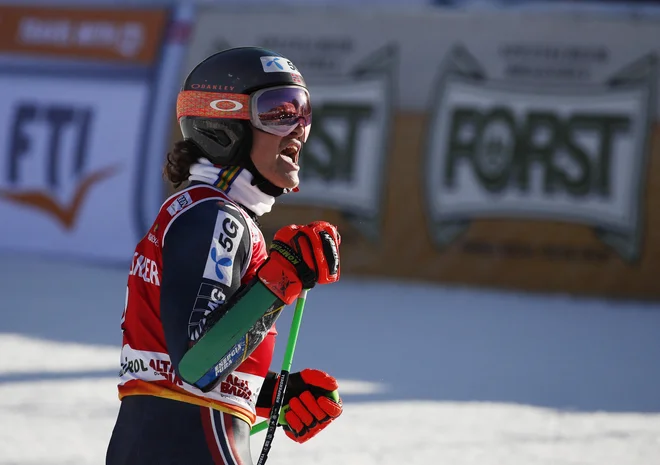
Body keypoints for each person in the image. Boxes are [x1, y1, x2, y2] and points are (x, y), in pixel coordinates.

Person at [106, 46, 343, 465]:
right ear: (222, 125)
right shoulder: (218, 217)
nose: (299, 129)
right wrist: (283, 278)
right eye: (277, 111)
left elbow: (171, 364)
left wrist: (270, 395)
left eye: (302, 112)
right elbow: (198, 363)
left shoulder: (194, 210)